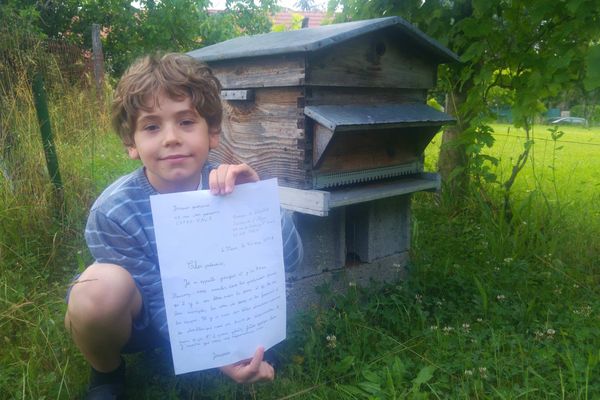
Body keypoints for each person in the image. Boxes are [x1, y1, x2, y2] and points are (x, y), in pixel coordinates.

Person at [64, 53, 303, 399]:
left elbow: (291, 260)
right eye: (151, 126)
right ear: (131, 144)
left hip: (224, 305)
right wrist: (212, 350)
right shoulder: (113, 211)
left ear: (214, 133)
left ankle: (251, 340)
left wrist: (260, 205)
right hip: (145, 319)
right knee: (95, 290)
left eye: (187, 122)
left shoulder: (234, 186)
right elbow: (156, 294)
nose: (171, 138)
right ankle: (107, 373)